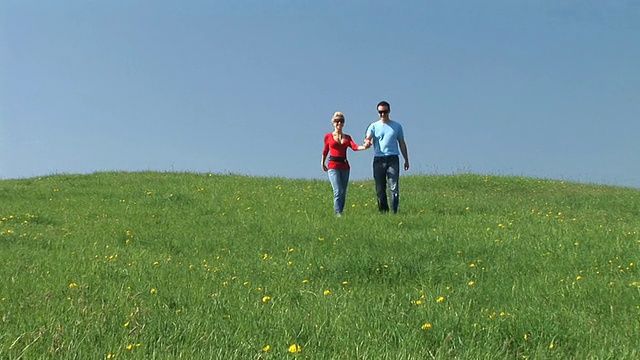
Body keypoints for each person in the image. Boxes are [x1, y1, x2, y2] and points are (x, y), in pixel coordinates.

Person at [364, 101, 410, 213]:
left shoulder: (396, 126)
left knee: (394, 186)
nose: (383, 114)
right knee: (380, 188)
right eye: (380, 112)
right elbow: (367, 138)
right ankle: (383, 211)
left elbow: (402, 143)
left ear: (389, 111)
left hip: (392, 158)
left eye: (384, 112)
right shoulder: (373, 126)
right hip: (379, 159)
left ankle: (394, 211)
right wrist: (367, 142)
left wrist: (406, 160)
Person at [322, 112, 369, 216]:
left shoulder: (347, 137)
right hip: (333, 166)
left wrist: (365, 147)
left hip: (344, 166)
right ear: (333, 123)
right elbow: (325, 150)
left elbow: (355, 147)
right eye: (336, 121)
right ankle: (337, 213)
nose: (339, 123)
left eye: (341, 121)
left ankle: (341, 212)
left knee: (343, 191)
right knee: (337, 190)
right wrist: (323, 163)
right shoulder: (328, 136)